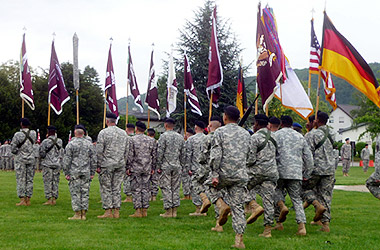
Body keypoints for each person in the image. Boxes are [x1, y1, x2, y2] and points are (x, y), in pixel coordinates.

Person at [208, 106, 250, 249]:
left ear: (225, 117)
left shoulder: (219, 132)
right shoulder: (246, 134)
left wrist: (214, 174)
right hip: (240, 174)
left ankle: (222, 205)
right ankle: (239, 241)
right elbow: (249, 156)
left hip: (223, 173)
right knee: (238, 207)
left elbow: (215, 155)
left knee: (207, 186)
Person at [272, 115, 314, 236]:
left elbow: (271, 153)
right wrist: (307, 173)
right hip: (296, 172)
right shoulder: (300, 137)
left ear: (281, 123)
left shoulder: (276, 135)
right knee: (296, 199)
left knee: (277, 191)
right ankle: (302, 227)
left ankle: (280, 216)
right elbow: (308, 157)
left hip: (279, 170)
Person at [246, 114, 278, 238]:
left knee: (240, 188)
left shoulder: (254, 138)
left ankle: (254, 206)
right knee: (268, 200)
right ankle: (267, 231)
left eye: (254, 123)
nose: (253, 126)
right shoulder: (275, 137)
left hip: (257, 171)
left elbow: (251, 158)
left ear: (258, 124)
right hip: (272, 171)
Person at [303, 112, 335, 232]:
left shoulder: (312, 135)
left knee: (303, 189)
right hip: (329, 169)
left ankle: (317, 205)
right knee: (326, 195)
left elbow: (307, 154)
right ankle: (325, 224)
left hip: (315, 168)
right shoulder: (332, 133)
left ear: (317, 120)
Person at [96, 112, 130, 219]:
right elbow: (127, 150)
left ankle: (108, 211)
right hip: (120, 164)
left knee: (106, 188)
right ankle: (116, 211)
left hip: (107, 164)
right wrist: (124, 162)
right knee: (117, 187)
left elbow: (99, 151)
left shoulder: (103, 133)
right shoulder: (124, 133)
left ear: (107, 121)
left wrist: (98, 164)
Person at [63, 124, 96, 220]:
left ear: (74, 133)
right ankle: (83, 213)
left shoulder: (71, 144)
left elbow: (66, 160)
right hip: (86, 171)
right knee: (85, 192)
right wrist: (92, 172)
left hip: (75, 171)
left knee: (75, 192)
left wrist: (66, 172)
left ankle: (77, 213)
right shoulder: (89, 144)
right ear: (84, 133)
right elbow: (93, 159)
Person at [127, 121, 157, 218]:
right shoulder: (151, 140)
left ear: (136, 128)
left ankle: (138, 211)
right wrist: (153, 167)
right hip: (147, 167)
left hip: (136, 168)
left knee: (136, 189)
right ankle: (145, 210)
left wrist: (128, 167)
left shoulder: (132, 140)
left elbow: (130, 155)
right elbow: (154, 155)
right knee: (146, 189)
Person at [198, 116, 223, 231]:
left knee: (204, 186)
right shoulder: (223, 137)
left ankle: (205, 200)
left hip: (208, 167)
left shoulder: (207, 138)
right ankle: (220, 222)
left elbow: (202, 156)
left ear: (210, 126)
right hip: (222, 168)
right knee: (222, 192)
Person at [157, 118, 185, 218]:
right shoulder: (180, 137)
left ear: (165, 125)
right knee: (175, 188)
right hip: (177, 165)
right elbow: (183, 153)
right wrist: (182, 164)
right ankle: (175, 210)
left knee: (167, 188)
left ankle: (168, 211)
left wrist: (158, 165)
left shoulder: (163, 137)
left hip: (166, 165)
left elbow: (160, 152)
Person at [11, 118, 37, 206]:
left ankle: (22, 199)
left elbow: (13, 148)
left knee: (21, 179)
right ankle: (28, 199)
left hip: (21, 159)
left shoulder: (18, 135)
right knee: (29, 179)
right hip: (31, 158)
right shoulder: (33, 133)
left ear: (21, 124)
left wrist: (17, 152)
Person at [185, 121, 207, 216]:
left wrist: (188, 167)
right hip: (206, 168)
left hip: (195, 167)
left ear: (196, 128)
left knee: (195, 188)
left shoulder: (191, 140)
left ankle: (198, 209)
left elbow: (188, 154)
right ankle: (205, 204)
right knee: (205, 187)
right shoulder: (208, 138)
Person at [39, 126, 63, 205]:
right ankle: (54, 198)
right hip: (57, 163)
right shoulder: (59, 141)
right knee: (55, 181)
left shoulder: (45, 141)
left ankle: (49, 199)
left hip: (48, 163)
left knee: (48, 181)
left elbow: (42, 153)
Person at [122, 123, 135, 203]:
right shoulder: (136, 137)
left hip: (128, 161)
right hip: (138, 163)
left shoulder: (126, 138)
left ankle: (128, 197)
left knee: (127, 179)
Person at [182, 128, 195, 200]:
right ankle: (191, 195)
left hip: (187, 163)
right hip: (195, 164)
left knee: (186, 180)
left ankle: (187, 195)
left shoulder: (188, 142)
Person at [147, 128, 159, 201]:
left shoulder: (146, 141)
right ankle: (154, 196)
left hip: (147, 163)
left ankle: (148, 196)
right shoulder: (157, 142)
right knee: (154, 180)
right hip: (155, 163)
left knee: (147, 180)